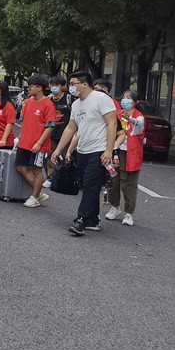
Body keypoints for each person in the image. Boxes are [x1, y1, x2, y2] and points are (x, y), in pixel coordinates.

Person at [50, 71, 118, 237]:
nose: (70, 87)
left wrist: (109, 150)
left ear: (85, 84)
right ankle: (93, 220)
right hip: (82, 150)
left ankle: (81, 220)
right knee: (87, 184)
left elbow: (112, 124)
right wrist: (59, 149)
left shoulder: (101, 99)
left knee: (90, 183)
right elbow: (70, 128)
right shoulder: (76, 105)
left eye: (73, 84)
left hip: (99, 149)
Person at [15, 73, 58, 208]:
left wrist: (39, 143)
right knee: (20, 167)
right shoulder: (28, 102)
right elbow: (22, 121)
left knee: (37, 170)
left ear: (39, 88)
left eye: (31, 86)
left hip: (39, 145)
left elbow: (50, 126)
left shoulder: (48, 104)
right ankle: (39, 192)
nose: (28, 88)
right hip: (24, 142)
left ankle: (34, 197)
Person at [106, 89, 145, 226]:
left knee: (129, 184)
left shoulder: (139, 117)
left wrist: (130, 119)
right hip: (115, 151)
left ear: (136, 102)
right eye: (124, 97)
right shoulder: (117, 114)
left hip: (130, 154)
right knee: (113, 180)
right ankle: (114, 207)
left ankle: (129, 213)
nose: (125, 100)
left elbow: (138, 126)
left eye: (129, 98)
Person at [43, 75, 73, 188]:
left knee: (66, 156)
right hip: (51, 133)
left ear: (62, 86)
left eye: (57, 85)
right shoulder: (48, 100)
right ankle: (51, 178)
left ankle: (67, 177)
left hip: (65, 133)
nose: (54, 87)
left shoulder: (69, 99)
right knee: (51, 155)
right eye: (52, 85)